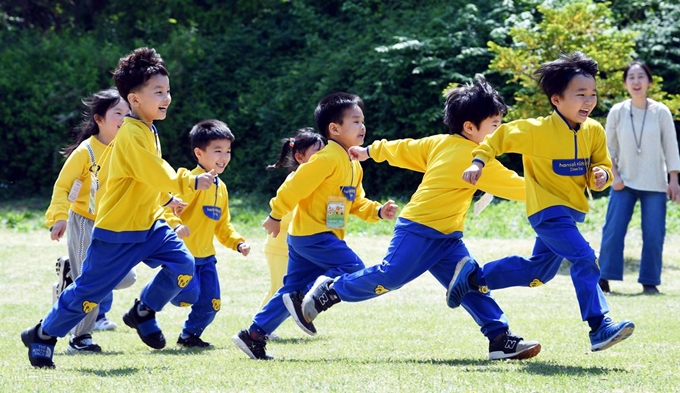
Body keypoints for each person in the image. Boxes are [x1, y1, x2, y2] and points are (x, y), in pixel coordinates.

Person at [300, 75, 541, 361]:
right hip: (418, 229)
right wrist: (558, 190)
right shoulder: (475, 159)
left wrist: (369, 151)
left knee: (468, 283)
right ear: (469, 127)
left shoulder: (440, 143)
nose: (499, 134)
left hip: (448, 237)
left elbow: (404, 148)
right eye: (495, 127)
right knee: (391, 276)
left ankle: (500, 338)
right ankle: (333, 289)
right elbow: (517, 185)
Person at [21, 47, 216, 368]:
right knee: (88, 294)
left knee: (183, 266)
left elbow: (140, 179)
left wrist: (166, 200)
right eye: (158, 92)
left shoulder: (147, 128)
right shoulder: (130, 134)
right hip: (117, 233)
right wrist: (188, 182)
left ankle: (143, 312)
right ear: (134, 99)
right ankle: (43, 334)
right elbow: (154, 170)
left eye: (167, 91)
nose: (166, 98)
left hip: (150, 226)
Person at [448, 51, 635, 352]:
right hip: (547, 212)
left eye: (592, 94)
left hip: (571, 212)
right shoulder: (535, 130)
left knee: (538, 273)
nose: (589, 101)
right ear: (557, 100)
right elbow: (497, 139)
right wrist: (478, 162)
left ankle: (473, 278)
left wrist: (599, 175)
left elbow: (600, 165)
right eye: (580, 94)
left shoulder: (594, 131)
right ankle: (600, 325)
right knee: (584, 257)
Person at [231, 92, 398, 360]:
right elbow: (294, 185)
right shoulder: (326, 157)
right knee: (353, 268)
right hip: (314, 235)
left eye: (363, 121)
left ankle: (253, 336)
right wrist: (275, 214)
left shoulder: (353, 163)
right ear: (334, 128)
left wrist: (378, 210)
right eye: (355, 121)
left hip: (311, 237)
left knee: (290, 293)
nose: (363, 127)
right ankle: (318, 293)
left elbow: (355, 202)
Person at [45, 88, 138, 353]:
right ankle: (80, 338)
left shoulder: (129, 149)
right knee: (92, 280)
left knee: (127, 278)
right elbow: (63, 187)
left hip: (114, 226)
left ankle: (69, 278)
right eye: (117, 112)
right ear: (99, 119)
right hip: (85, 222)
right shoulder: (86, 152)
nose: (124, 117)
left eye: (127, 113)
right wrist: (58, 218)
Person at [164, 119, 252, 348]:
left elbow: (223, 226)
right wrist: (176, 225)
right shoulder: (189, 181)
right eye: (217, 151)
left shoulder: (221, 188)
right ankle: (154, 294)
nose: (224, 157)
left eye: (228, 151)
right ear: (199, 153)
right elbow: (167, 208)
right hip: (183, 257)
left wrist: (238, 243)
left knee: (212, 303)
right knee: (188, 295)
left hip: (206, 259)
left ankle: (189, 336)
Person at [598, 60, 680, 295]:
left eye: (641, 77)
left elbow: (671, 146)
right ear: (625, 82)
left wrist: (673, 180)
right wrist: (614, 175)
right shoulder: (617, 111)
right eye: (631, 77)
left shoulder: (661, 111)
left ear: (649, 81)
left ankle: (650, 281)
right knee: (613, 230)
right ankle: (604, 277)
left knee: (654, 233)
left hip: (655, 184)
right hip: (623, 182)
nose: (636, 81)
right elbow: (607, 148)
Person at [259, 128, 326, 311]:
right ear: (299, 157)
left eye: (324, 153)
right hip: (280, 246)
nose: (323, 158)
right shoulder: (297, 179)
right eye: (317, 153)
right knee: (279, 288)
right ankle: (258, 326)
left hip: (296, 247)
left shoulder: (318, 181)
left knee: (295, 287)